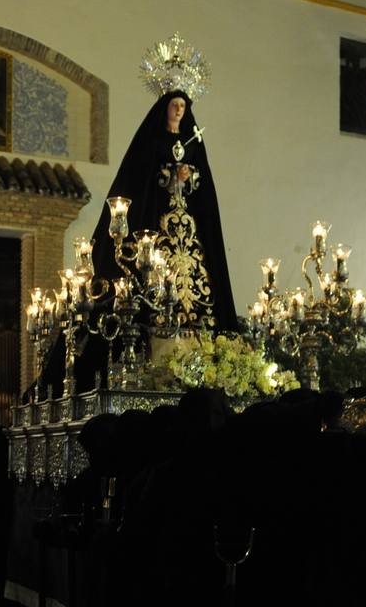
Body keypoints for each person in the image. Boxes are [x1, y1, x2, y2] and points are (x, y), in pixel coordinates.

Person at [41, 86, 236, 395]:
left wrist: (188, 177)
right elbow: (141, 178)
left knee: (199, 291)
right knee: (145, 295)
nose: (179, 111)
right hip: (157, 230)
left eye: (183, 106)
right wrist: (169, 175)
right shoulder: (152, 139)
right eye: (174, 105)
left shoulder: (194, 140)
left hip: (188, 230)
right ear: (165, 108)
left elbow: (204, 185)